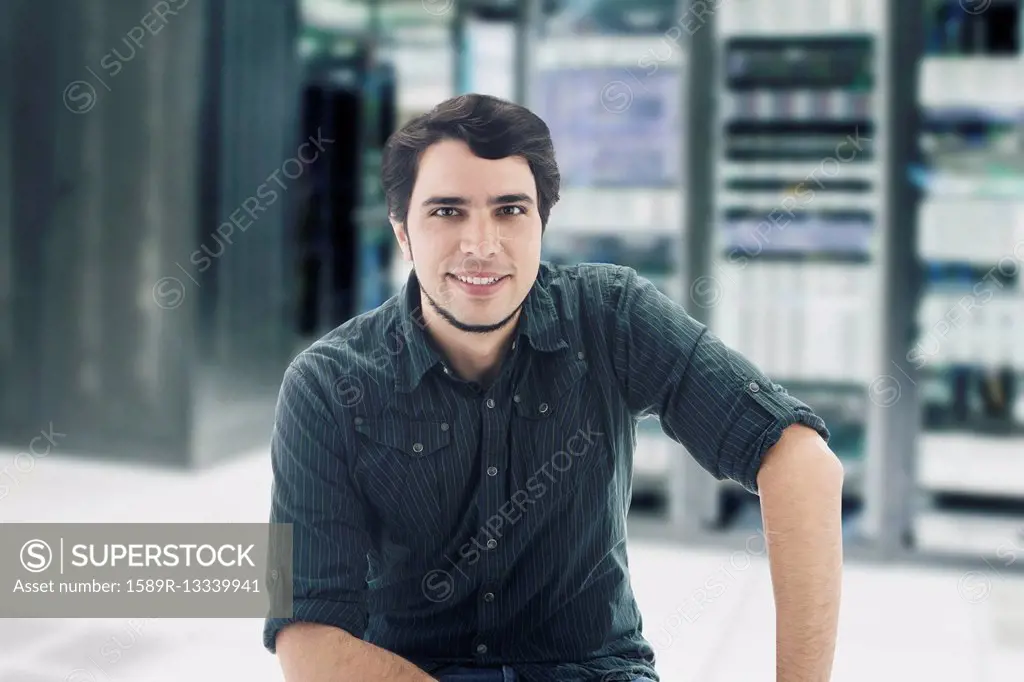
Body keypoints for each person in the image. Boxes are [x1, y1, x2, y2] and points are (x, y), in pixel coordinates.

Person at [263, 93, 845, 682]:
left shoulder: (612, 316)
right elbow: (306, 640)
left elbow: (801, 462)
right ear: (403, 234)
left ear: (542, 222)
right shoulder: (326, 383)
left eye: (510, 210)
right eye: (447, 211)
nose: (482, 244)